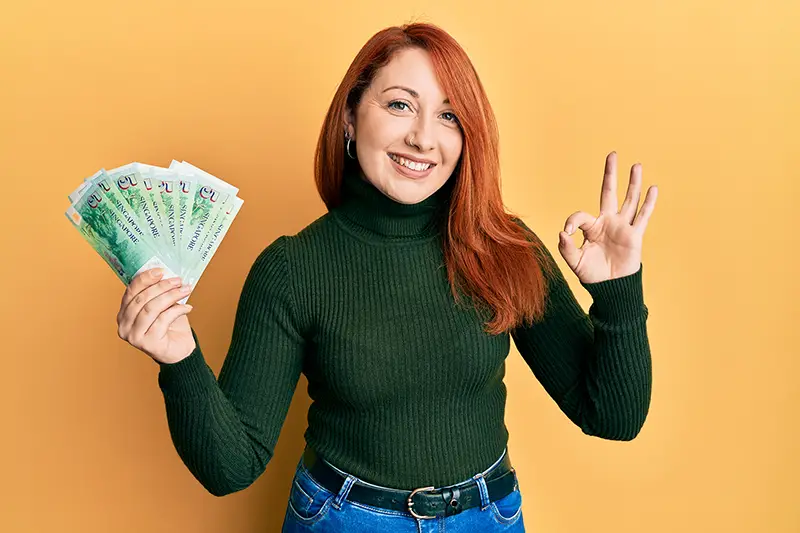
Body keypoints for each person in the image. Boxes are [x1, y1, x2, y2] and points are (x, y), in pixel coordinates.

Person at [116, 22, 658, 532]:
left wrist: (618, 292)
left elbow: (612, 416)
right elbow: (231, 467)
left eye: (449, 116)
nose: (424, 138)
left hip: (486, 518)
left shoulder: (503, 247)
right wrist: (180, 360)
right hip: (344, 519)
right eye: (400, 105)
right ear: (351, 117)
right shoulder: (292, 270)